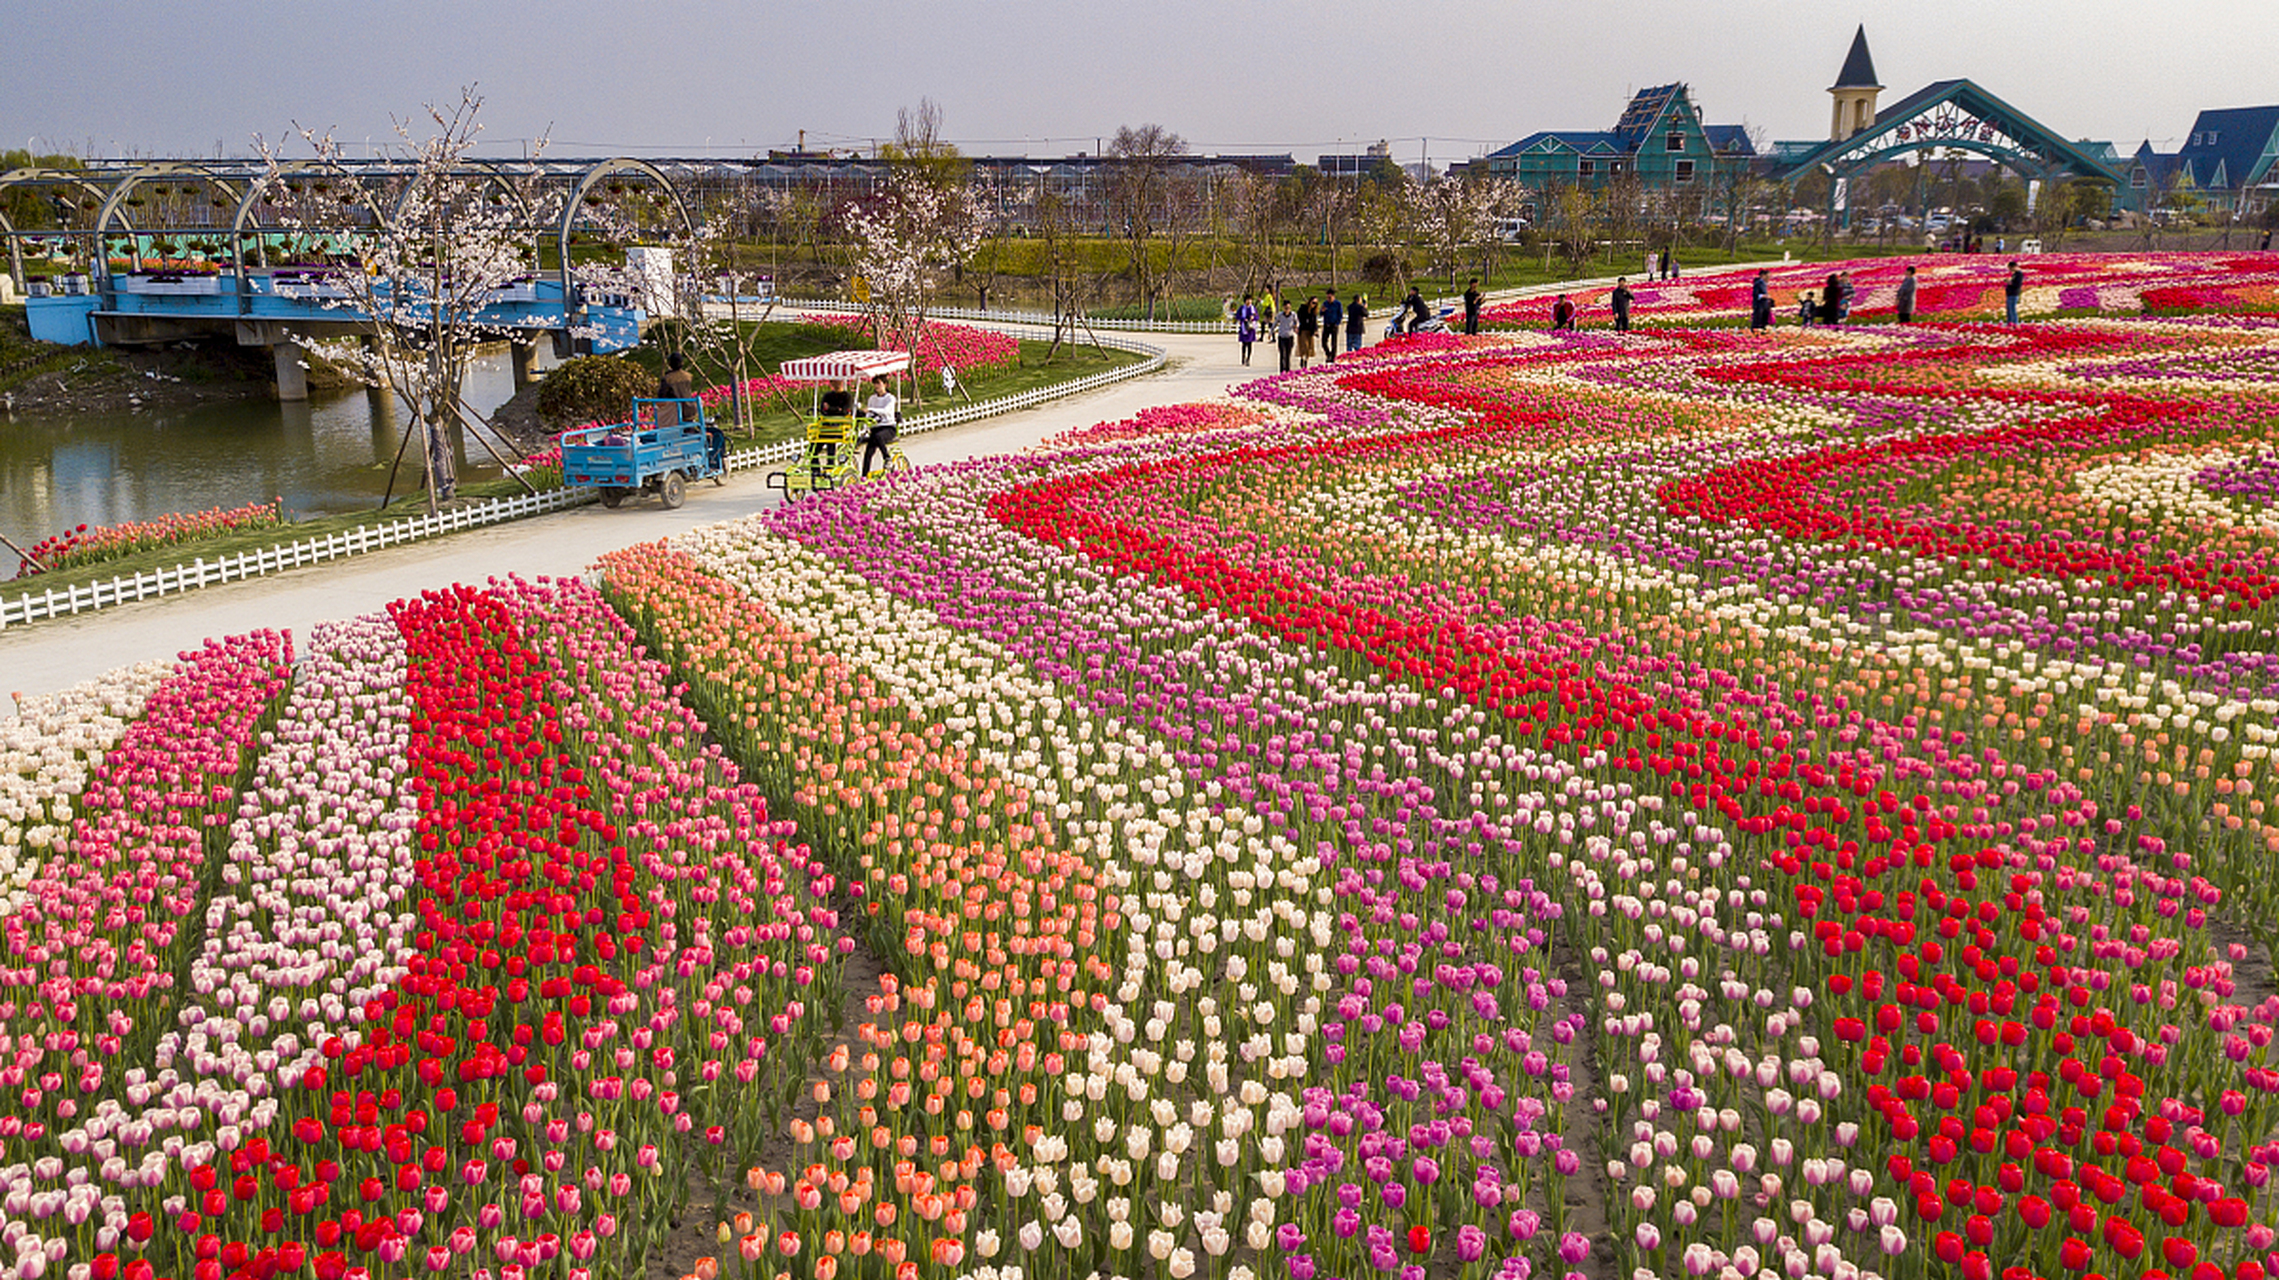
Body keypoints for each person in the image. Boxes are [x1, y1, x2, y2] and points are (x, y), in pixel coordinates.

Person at [859, 374, 899, 476]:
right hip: (876, 428)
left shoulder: (890, 398)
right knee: (868, 452)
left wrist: (871, 409)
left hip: (888, 427)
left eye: (879, 383)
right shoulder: (872, 398)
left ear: (885, 384)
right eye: (875, 384)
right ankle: (864, 475)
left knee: (878, 436)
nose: (876, 386)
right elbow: (869, 415)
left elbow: (886, 411)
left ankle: (887, 458)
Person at [655, 351, 698, 423]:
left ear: (670, 364)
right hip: (690, 409)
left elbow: (661, 395)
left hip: (675, 412)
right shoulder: (688, 376)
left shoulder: (667, 379)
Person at [1234, 292, 1259, 366]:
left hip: (1251, 328)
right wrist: (1243, 319)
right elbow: (1237, 316)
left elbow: (1257, 317)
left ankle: (1248, 359)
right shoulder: (1242, 308)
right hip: (1244, 327)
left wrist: (1253, 318)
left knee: (1250, 344)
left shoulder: (1253, 308)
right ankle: (1243, 357)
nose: (1249, 302)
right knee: (1244, 344)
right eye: (1247, 300)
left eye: (1250, 300)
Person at [1296, 296, 1319, 368]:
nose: (1313, 305)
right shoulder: (1303, 308)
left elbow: (1314, 322)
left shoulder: (1314, 312)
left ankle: (1306, 360)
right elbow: (1299, 317)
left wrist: (1316, 331)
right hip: (1303, 329)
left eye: (1315, 303)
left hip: (1310, 331)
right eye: (1313, 302)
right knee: (1304, 345)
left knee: (1309, 347)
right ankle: (1302, 358)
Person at [1322, 290, 1343, 362]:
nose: (1329, 299)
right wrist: (1323, 311)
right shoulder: (1325, 304)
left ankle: (1333, 357)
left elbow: (1340, 314)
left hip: (1334, 324)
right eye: (1327, 297)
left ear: (1333, 297)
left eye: (1330, 297)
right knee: (1324, 342)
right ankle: (1328, 354)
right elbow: (1321, 313)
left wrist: (1337, 323)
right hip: (1326, 324)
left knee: (1334, 342)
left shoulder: (1338, 304)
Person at [1275, 302, 1297, 372]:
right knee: (1282, 354)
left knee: (1288, 355)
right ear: (1283, 308)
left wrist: (1296, 327)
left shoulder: (1293, 315)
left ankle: (1287, 370)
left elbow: (1297, 322)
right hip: (1282, 337)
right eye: (1286, 308)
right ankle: (1282, 370)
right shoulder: (1280, 315)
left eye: (1288, 308)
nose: (1287, 310)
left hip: (1289, 337)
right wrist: (1270, 332)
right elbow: (1275, 323)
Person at [2004, 259, 2024, 323]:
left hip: (2013, 294)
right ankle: (2010, 323)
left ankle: (2014, 323)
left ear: (2013, 267)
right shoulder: (2015, 274)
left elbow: (2017, 284)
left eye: (2010, 268)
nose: (2010, 270)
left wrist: (2010, 282)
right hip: (2010, 294)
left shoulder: (2019, 274)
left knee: (2012, 310)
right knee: (2009, 310)